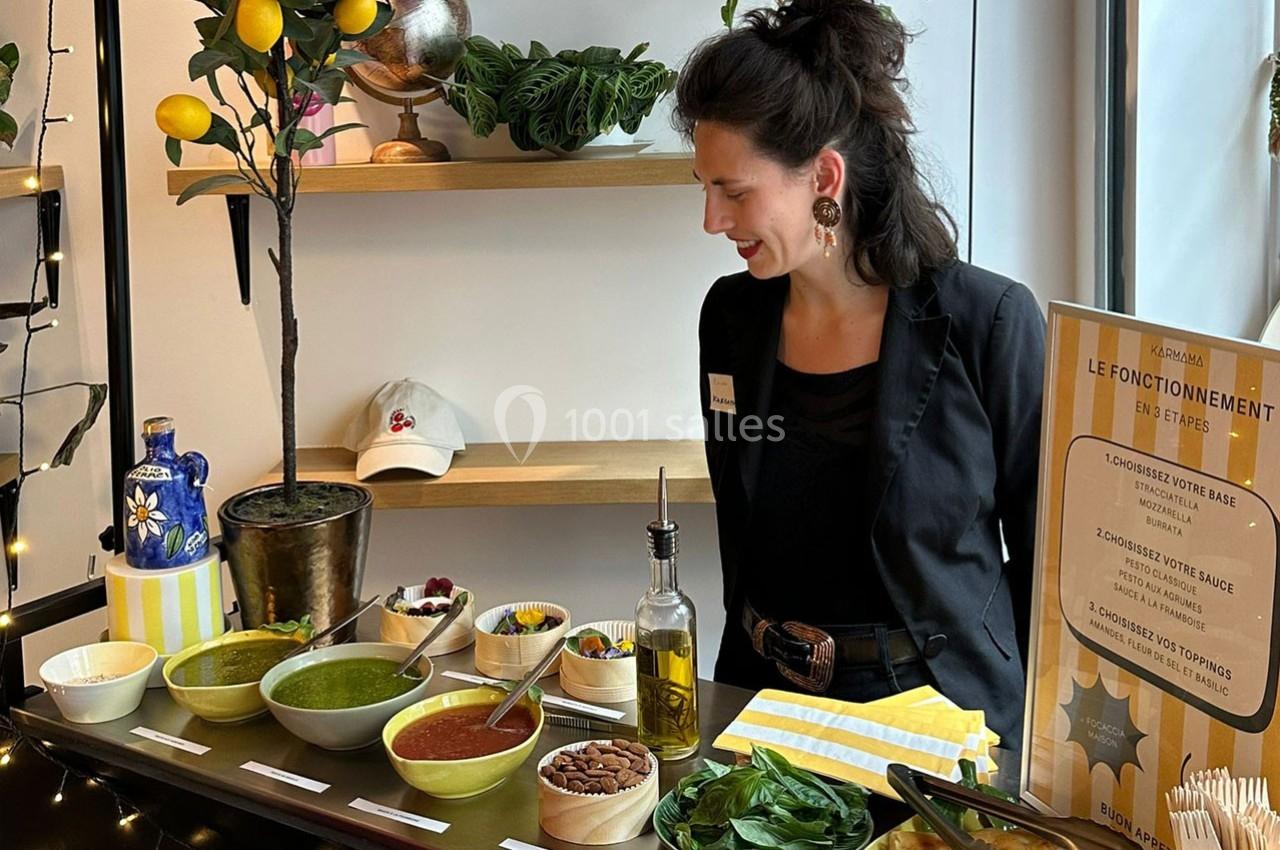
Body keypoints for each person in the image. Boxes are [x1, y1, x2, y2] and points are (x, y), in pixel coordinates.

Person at [676, 0, 1046, 758]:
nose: (712, 220)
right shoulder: (731, 320)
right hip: (764, 714)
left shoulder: (989, 322)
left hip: (940, 728)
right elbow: (742, 532)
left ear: (825, 178)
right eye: (703, 187)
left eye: (734, 191)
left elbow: (1049, 561)